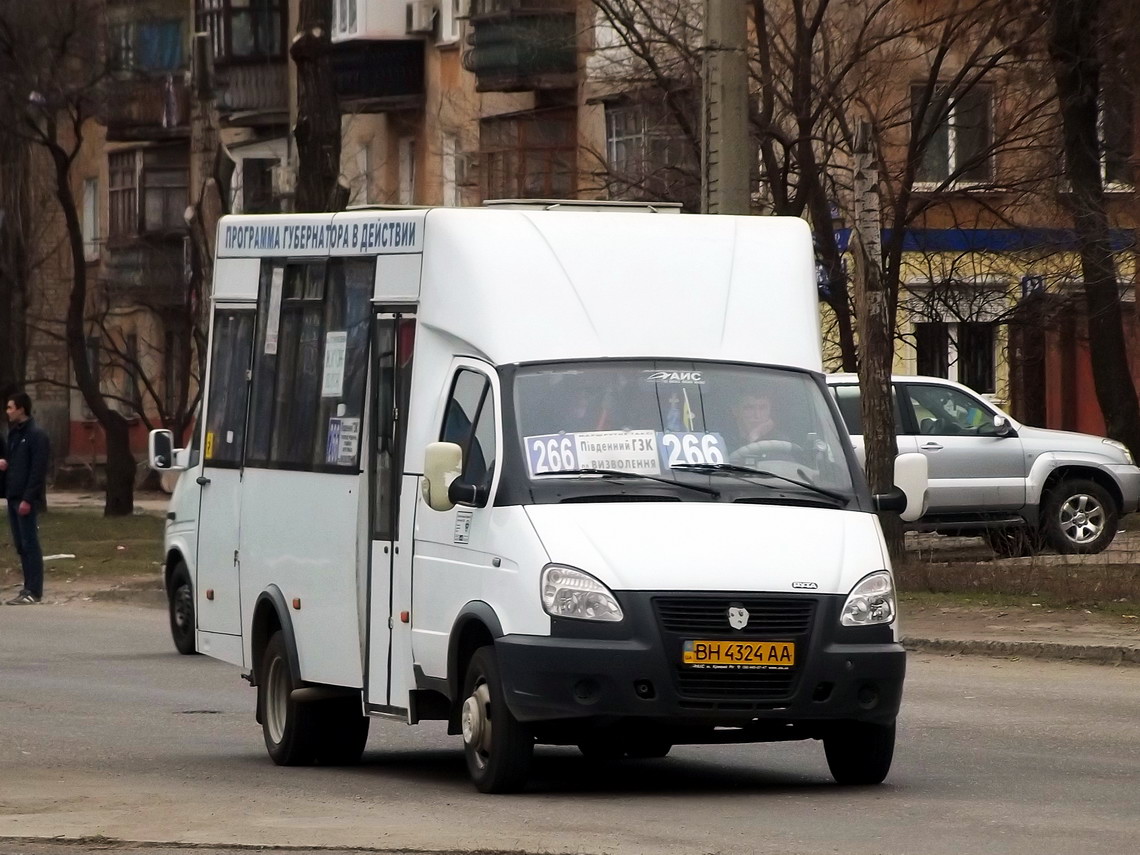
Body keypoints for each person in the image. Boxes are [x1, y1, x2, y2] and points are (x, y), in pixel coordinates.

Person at [2, 392, 49, 605]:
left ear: (21, 409)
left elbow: (37, 470)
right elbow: (15, 463)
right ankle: (26, 587)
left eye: (11, 407)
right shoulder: (14, 434)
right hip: (13, 496)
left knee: (30, 543)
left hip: (24, 499)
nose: (8, 411)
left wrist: (28, 499)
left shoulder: (36, 435)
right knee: (21, 544)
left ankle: (34, 590)